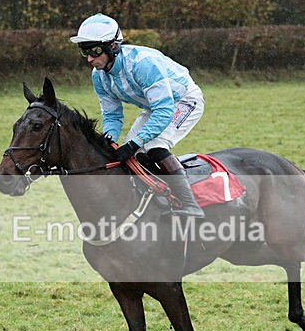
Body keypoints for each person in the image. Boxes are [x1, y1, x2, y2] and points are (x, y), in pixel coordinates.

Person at [70, 13, 205, 218]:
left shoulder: (143, 64)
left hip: (184, 100)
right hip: (155, 107)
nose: (90, 58)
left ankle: (190, 204)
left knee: (154, 146)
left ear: (113, 46)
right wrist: (109, 140)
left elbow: (164, 110)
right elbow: (112, 115)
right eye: (85, 52)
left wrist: (135, 142)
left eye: (95, 51)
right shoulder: (99, 76)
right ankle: (155, 199)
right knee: (129, 155)